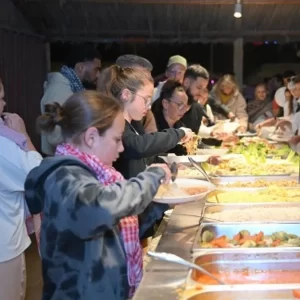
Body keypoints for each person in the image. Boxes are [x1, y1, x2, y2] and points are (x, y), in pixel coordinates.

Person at [25, 90, 171, 300]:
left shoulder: (96, 174)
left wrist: (162, 203)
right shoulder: (62, 178)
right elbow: (101, 208)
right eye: (117, 139)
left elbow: (116, 229)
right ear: (91, 137)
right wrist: (151, 177)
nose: (121, 148)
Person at [97, 65, 193, 179]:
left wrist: (167, 163)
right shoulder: (114, 124)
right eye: (146, 99)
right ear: (126, 95)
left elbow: (143, 157)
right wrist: (178, 134)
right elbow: (138, 146)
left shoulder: (134, 125)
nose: (149, 106)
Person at [0, 77, 43, 300]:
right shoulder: (4, 144)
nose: (4, 105)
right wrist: (23, 135)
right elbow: (37, 176)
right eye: (0, 99)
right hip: (4, 246)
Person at [40, 44, 102, 155]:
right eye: (96, 69)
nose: (98, 75)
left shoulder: (71, 89)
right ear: (80, 67)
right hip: (59, 162)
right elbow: (54, 136)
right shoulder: (59, 90)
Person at [116, 54, 157, 133]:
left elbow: (151, 135)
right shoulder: (107, 112)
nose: (148, 81)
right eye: (141, 76)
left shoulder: (145, 110)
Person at [152, 79, 189, 155]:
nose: (184, 110)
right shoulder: (152, 125)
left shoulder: (181, 126)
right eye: (180, 105)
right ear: (165, 104)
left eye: (186, 106)